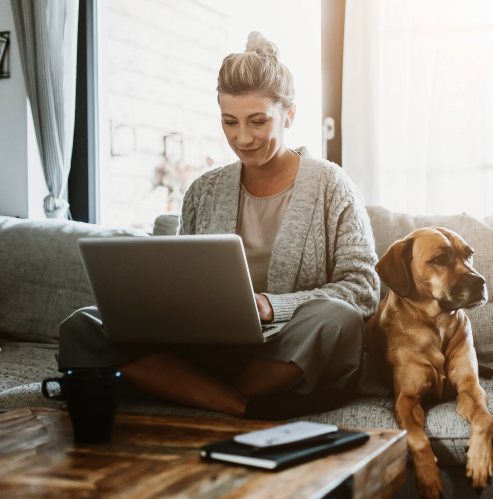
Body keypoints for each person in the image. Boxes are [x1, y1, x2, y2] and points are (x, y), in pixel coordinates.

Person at [58, 32, 380, 419]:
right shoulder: (204, 190)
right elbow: (179, 278)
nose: (242, 138)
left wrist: (269, 306)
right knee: (82, 325)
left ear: (289, 115)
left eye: (258, 121)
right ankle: (244, 406)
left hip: (289, 350)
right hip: (211, 348)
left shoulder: (332, 185)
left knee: (336, 317)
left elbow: (362, 290)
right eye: (230, 122)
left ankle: (191, 388)